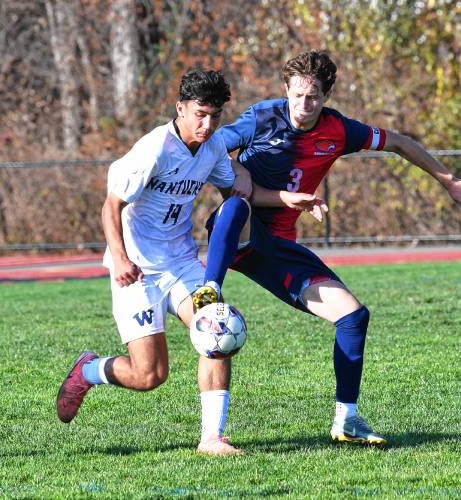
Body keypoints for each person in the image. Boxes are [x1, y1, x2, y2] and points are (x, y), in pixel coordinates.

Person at [194, 50, 461, 446]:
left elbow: (397, 142)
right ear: (286, 91)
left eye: (312, 97)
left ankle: (346, 418)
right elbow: (211, 146)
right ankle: (210, 290)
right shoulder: (262, 117)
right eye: (296, 95)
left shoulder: (339, 131)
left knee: (353, 316)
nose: (303, 105)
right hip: (237, 232)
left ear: (326, 95)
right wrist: (237, 168)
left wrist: (448, 180)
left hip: (277, 248)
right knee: (236, 205)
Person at [55, 69, 323, 456]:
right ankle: (89, 370)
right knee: (149, 375)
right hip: (139, 271)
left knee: (216, 331)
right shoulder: (154, 150)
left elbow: (239, 193)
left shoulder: (212, 148)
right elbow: (111, 206)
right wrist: (119, 257)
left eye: (214, 116)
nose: (207, 123)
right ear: (180, 109)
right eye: (199, 114)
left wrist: (287, 197)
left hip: (181, 264)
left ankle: (211, 438)